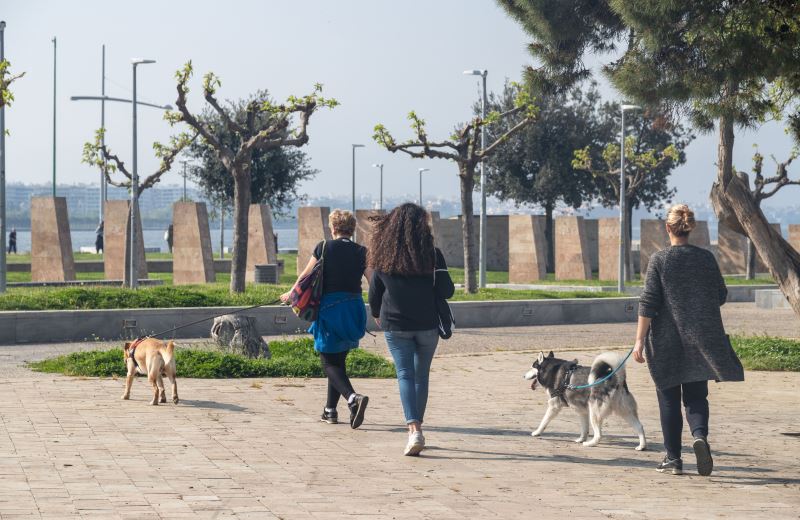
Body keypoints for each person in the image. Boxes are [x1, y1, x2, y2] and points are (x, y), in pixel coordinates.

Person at [633, 204, 744, 476]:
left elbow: (648, 303)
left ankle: (673, 458)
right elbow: (720, 295)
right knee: (696, 396)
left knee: (668, 397)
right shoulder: (706, 258)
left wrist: (638, 341)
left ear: (668, 228)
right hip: (700, 339)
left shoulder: (659, 260)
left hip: (665, 342)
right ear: (690, 228)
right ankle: (700, 437)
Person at [367, 203, 454, 456]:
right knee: (421, 376)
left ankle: (414, 430)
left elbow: (374, 293)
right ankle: (418, 429)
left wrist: (376, 314)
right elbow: (447, 291)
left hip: (396, 324)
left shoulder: (384, 256)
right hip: (427, 325)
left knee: (405, 375)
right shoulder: (433, 255)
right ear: (422, 227)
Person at [280, 209, 370, 429]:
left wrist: (290, 295)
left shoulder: (324, 247)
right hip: (353, 308)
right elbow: (373, 281)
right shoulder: (362, 251)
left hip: (330, 308)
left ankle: (352, 399)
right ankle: (330, 411)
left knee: (328, 361)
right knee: (338, 360)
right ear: (352, 229)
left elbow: (305, 275)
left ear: (332, 228)